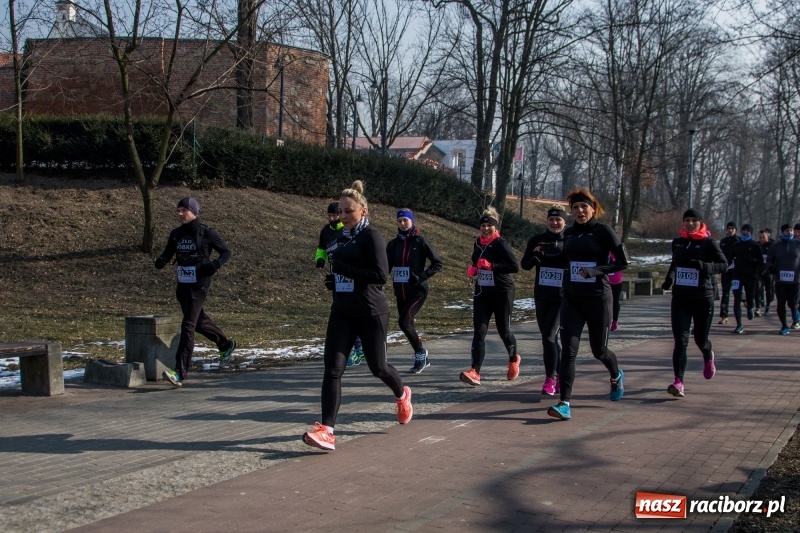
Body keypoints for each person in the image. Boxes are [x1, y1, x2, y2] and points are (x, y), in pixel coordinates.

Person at [303, 181, 412, 451]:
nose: (343, 217)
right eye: (340, 212)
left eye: (348, 211)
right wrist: (335, 279)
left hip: (370, 311)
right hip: (342, 310)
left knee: (378, 368)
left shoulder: (371, 236)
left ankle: (402, 394)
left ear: (363, 211)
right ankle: (327, 430)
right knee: (332, 369)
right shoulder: (340, 237)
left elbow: (380, 276)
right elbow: (343, 269)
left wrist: (344, 269)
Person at [547, 188, 629, 421]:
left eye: (584, 207)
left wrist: (595, 270)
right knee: (568, 351)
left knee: (598, 351)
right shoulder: (570, 233)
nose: (580, 211)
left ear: (593, 209)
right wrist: (544, 254)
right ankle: (564, 403)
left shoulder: (603, 232)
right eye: (575, 208)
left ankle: (615, 374)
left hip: (598, 299)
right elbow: (565, 260)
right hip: (572, 300)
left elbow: (622, 262)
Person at [154, 197, 236, 387]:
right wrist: (161, 261)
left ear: (193, 211)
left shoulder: (206, 233)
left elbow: (226, 252)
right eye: (178, 210)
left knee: (188, 325)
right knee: (198, 321)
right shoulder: (176, 234)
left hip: (199, 284)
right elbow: (168, 253)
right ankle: (225, 344)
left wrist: (214, 265)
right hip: (183, 285)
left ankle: (179, 372)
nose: (180, 214)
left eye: (184, 210)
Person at [660, 209, 727, 397]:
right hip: (680, 298)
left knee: (700, 339)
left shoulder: (709, 243)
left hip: (702, 298)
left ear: (700, 222)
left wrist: (705, 266)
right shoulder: (678, 243)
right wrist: (669, 279)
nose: (689, 224)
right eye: (686, 220)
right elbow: (675, 264)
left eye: (693, 221)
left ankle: (708, 355)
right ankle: (678, 382)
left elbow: (724, 265)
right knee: (680, 341)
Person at [460, 207, 522, 386]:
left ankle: (513, 359)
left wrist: (491, 266)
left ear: (496, 227)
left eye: (489, 226)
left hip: (502, 291)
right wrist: (473, 269)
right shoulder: (478, 243)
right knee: (479, 332)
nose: (486, 229)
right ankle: (475, 371)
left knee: (504, 330)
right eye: (483, 226)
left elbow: (513, 266)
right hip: (482, 292)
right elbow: (475, 262)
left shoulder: (501, 243)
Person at [386, 208, 443, 374]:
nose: (403, 224)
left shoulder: (420, 241)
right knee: (408, 324)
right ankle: (422, 357)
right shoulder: (392, 244)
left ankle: (420, 352)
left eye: (406, 220)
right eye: (400, 221)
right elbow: (385, 268)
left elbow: (437, 263)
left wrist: (420, 277)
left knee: (403, 322)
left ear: (412, 221)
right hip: (400, 292)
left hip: (418, 291)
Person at [521, 206, 567, 395]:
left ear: (565, 222)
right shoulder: (537, 239)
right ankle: (561, 374)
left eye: (559, 220)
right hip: (542, 296)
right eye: (551, 220)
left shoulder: (569, 241)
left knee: (549, 336)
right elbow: (524, 265)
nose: (555, 223)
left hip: (562, 298)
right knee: (549, 339)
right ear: (547, 221)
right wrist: (536, 255)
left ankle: (550, 379)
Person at [314, 201, 364, 366]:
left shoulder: (348, 230)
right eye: (329, 215)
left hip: (351, 275)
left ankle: (358, 348)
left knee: (352, 312)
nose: (331, 218)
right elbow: (321, 248)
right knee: (341, 312)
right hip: (336, 276)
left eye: (334, 215)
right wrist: (320, 259)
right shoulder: (325, 231)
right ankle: (352, 348)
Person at [765, 224, 800, 334]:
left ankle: (795, 313)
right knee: (781, 303)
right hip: (780, 280)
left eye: (791, 231)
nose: (789, 233)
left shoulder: (798, 243)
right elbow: (769, 259)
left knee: (792, 303)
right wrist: (770, 267)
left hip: (796, 279)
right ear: (782, 232)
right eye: (786, 231)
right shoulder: (776, 246)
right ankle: (784, 326)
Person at [730, 223, 763, 334]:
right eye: (743, 231)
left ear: (751, 233)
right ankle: (739, 324)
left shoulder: (755, 245)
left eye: (747, 231)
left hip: (751, 276)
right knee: (736, 299)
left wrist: (752, 260)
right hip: (737, 276)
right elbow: (729, 260)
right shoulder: (736, 245)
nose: (745, 233)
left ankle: (750, 307)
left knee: (750, 297)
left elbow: (760, 261)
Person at [718, 222, 739, 325]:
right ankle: (724, 316)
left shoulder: (738, 241)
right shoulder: (723, 241)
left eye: (732, 228)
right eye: (728, 228)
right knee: (725, 293)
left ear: (735, 230)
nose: (730, 230)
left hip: (736, 271)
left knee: (737, 293)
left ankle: (743, 305)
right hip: (726, 271)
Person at [756, 228, 775, 316]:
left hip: (768, 272)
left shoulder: (772, 245)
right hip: (759, 271)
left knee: (768, 289)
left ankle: (767, 306)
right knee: (758, 288)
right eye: (760, 238)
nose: (762, 239)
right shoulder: (757, 245)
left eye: (763, 237)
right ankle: (758, 307)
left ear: (767, 236)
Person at [608, 252, 623, 331]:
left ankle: (613, 321)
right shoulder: (616, 250)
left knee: (614, 301)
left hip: (613, 280)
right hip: (614, 279)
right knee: (614, 301)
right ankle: (614, 322)